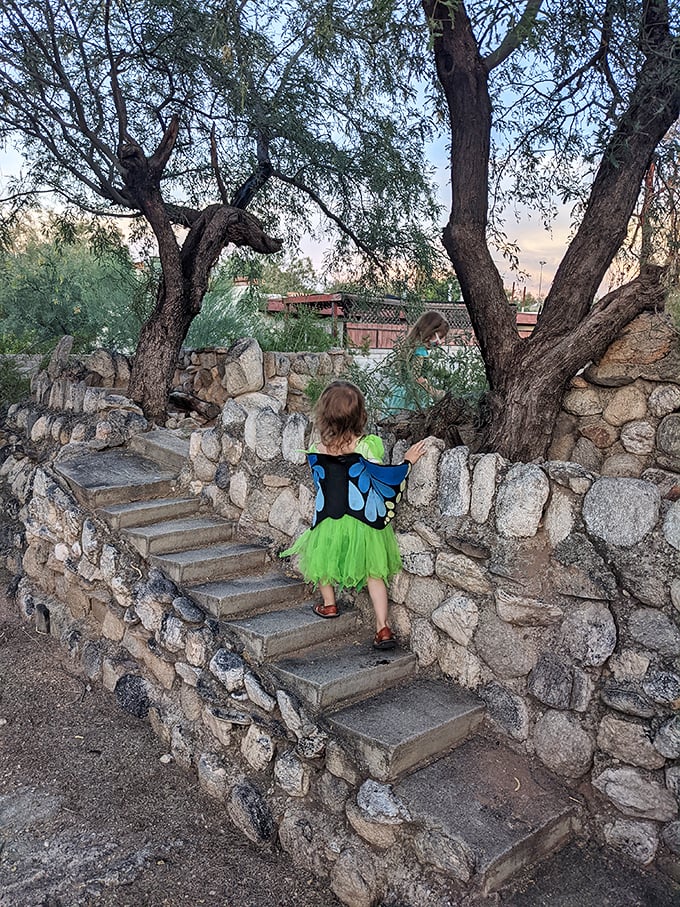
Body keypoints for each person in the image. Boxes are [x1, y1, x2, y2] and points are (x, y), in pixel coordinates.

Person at [281, 380, 426, 650]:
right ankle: (383, 628)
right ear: (361, 416)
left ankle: (329, 604)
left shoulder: (316, 450)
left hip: (329, 520)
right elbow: (384, 478)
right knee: (375, 573)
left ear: (323, 416)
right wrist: (407, 463)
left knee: (321, 562)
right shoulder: (368, 446)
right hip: (364, 523)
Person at [384, 311, 449, 414]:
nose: (439, 342)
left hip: (401, 393)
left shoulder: (412, 347)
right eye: (439, 337)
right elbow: (416, 377)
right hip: (413, 397)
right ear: (430, 331)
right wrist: (435, 392)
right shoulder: (420, 351)